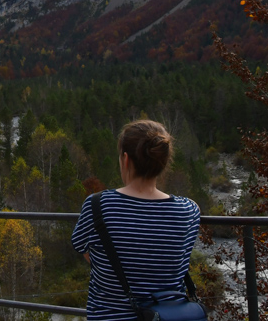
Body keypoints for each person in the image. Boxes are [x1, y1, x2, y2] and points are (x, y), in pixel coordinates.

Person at [71, 120, 201, 320]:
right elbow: (179, 261)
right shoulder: (189, 210)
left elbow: (83, 249)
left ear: (125, 159)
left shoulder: (97, 205)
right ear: (163, 161)